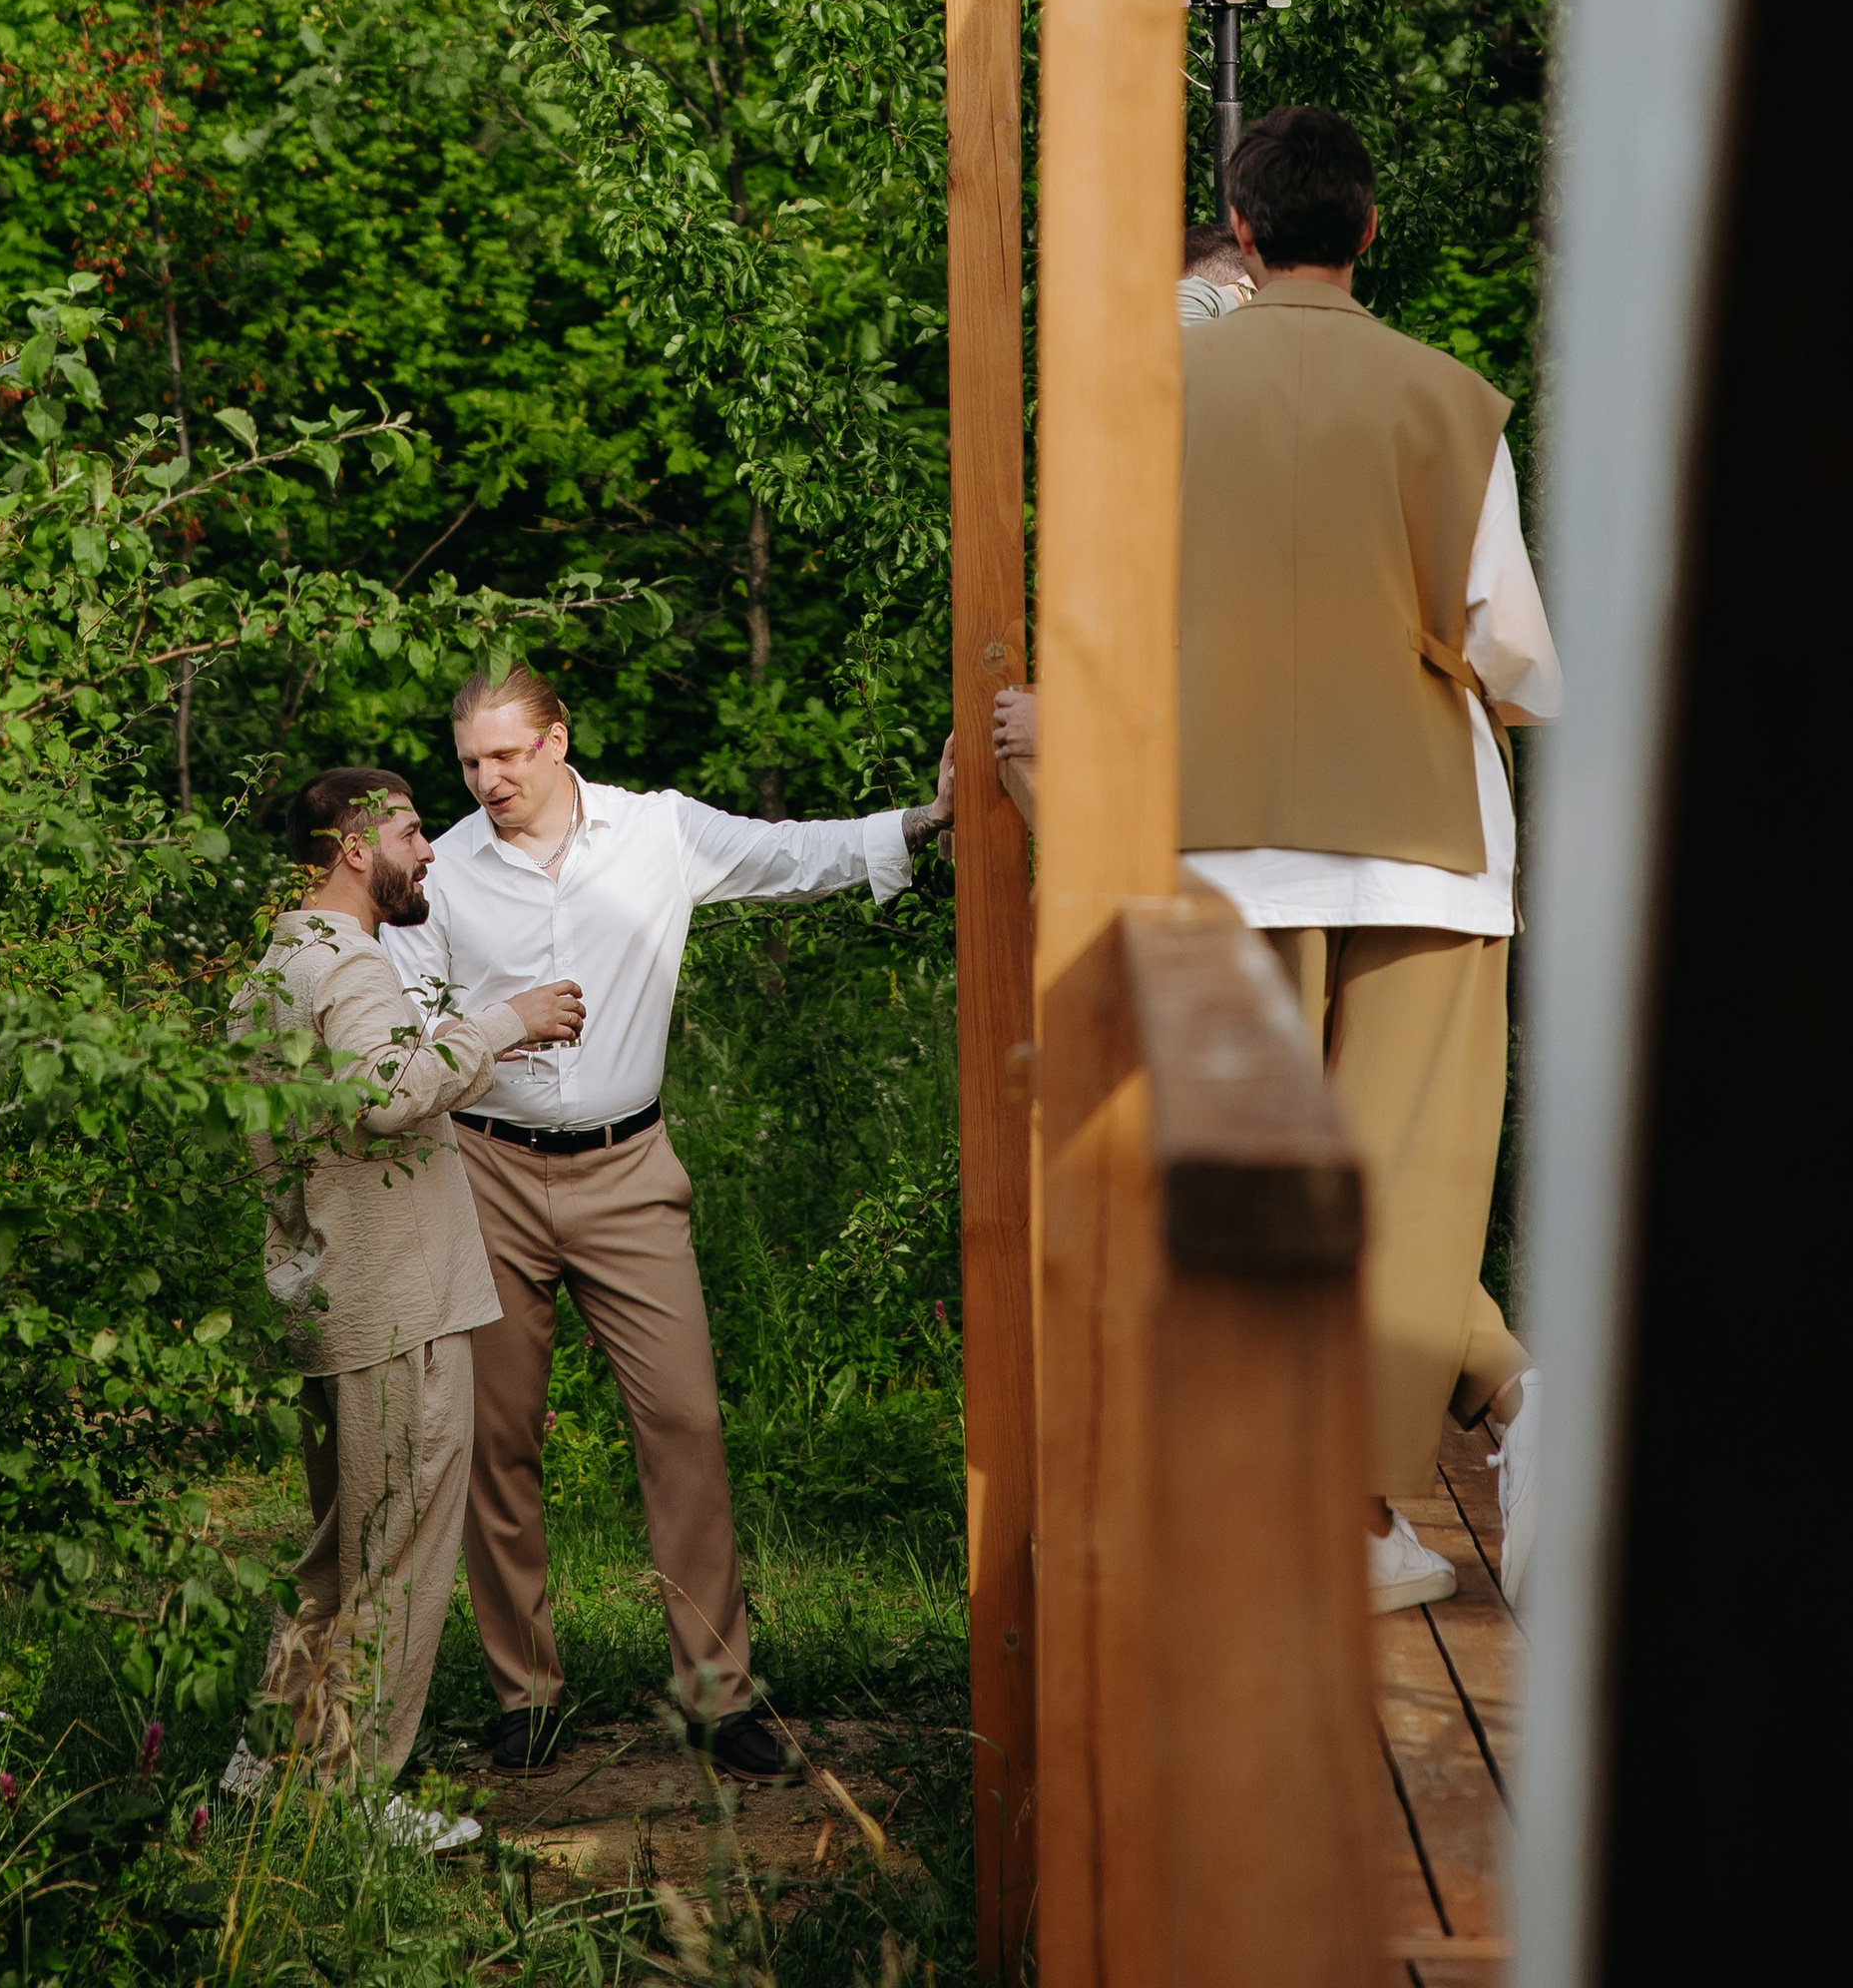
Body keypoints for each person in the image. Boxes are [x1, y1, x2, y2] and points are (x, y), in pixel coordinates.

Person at [989, 106, 1554, 1611]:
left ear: (1240, 233)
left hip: (1217, 838)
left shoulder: (1146, 392)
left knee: (1242, 1187)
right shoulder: (1450, 401)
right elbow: (1515, 658)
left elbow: (1104, 621)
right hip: (1428, 842)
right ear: (1368, 233)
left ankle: (1327, 1517)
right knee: (1410, 1184)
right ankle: (1396, 1489)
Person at [382, 663, 954, 1776]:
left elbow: (799, 856)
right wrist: (503, 1027)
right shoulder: (443, 872)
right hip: (485, 1171)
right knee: (498, 1444)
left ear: (558, 741)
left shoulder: (659, 834)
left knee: (684, 1423)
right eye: (469, 763)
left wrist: (922, 821)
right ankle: (525, 1696)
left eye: (505, 755)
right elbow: (409, 1034)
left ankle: (718, 1693)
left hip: (630, 1169)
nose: (487, 779)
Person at [228, 764, 587, 1843]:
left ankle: (270, 1759)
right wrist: (503, 1024)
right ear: (353, 847)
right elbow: (385, 1097)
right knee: (400, 1556)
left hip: (326, 1293)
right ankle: (353, 1797)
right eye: (416, 831)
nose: (432, 850)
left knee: (341, 1553)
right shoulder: (350, 965)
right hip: (395, 1306)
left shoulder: (273, 963)